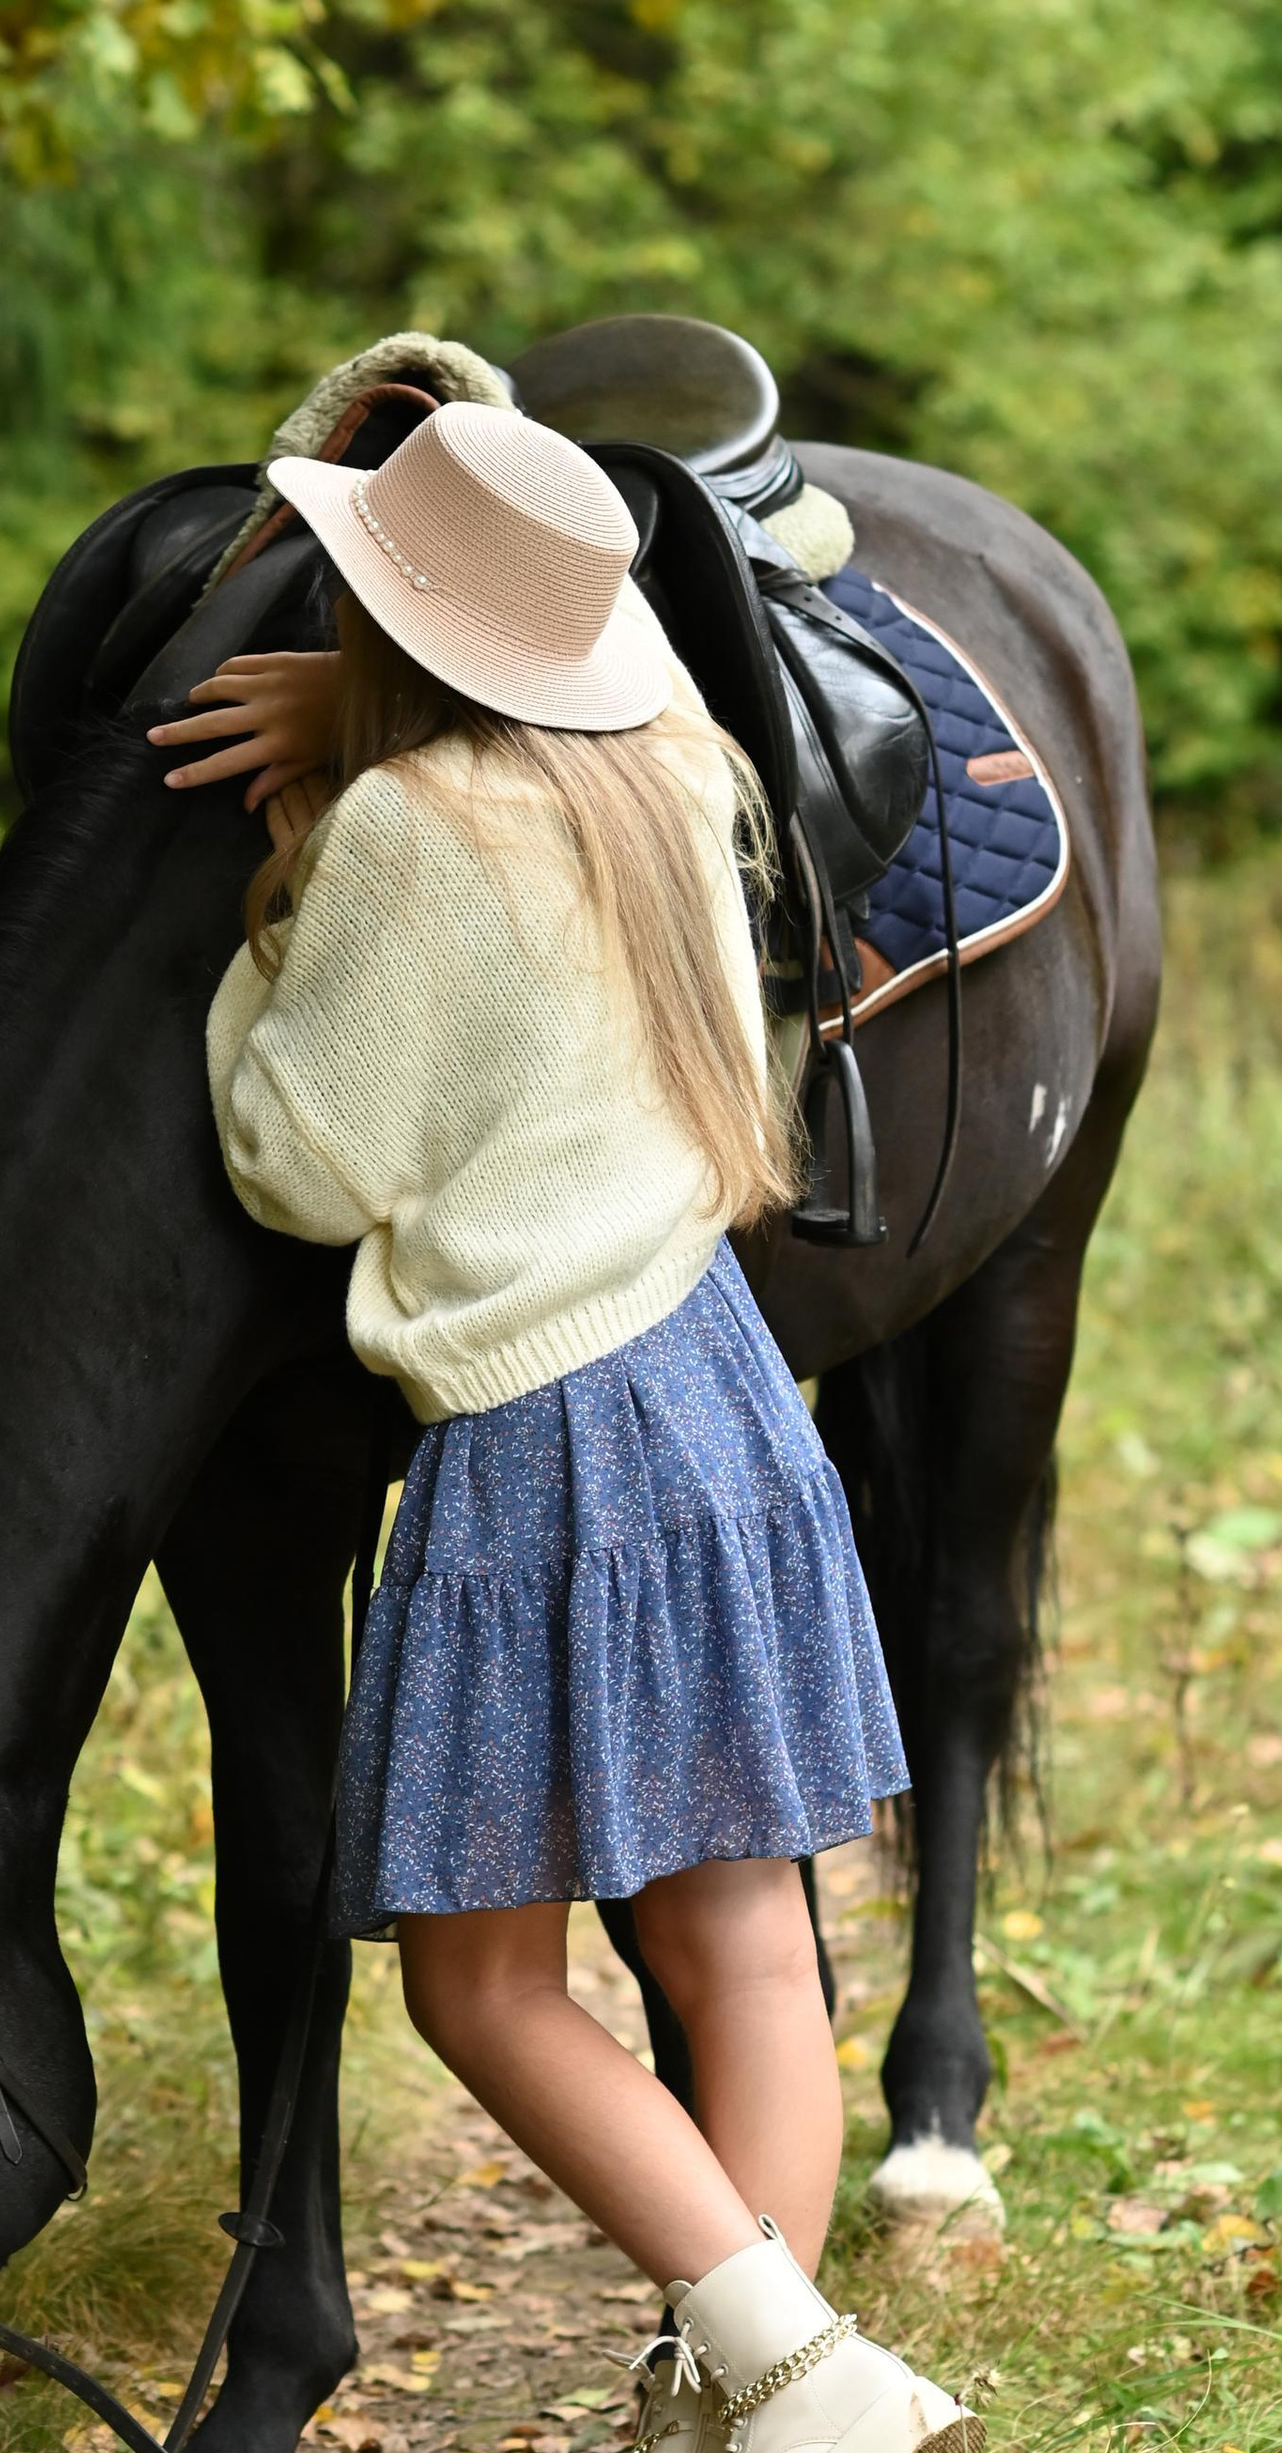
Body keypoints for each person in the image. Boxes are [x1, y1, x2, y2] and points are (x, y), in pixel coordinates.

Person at [156, 404, 979, 2453]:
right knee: (746, 1953)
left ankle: (791, 2367)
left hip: (545, 1427)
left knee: (479, 1986)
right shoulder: (674, 766)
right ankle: (742, 2392)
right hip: (714, 1376)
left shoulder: (406, 834)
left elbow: (295, 1157)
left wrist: (277, 900)